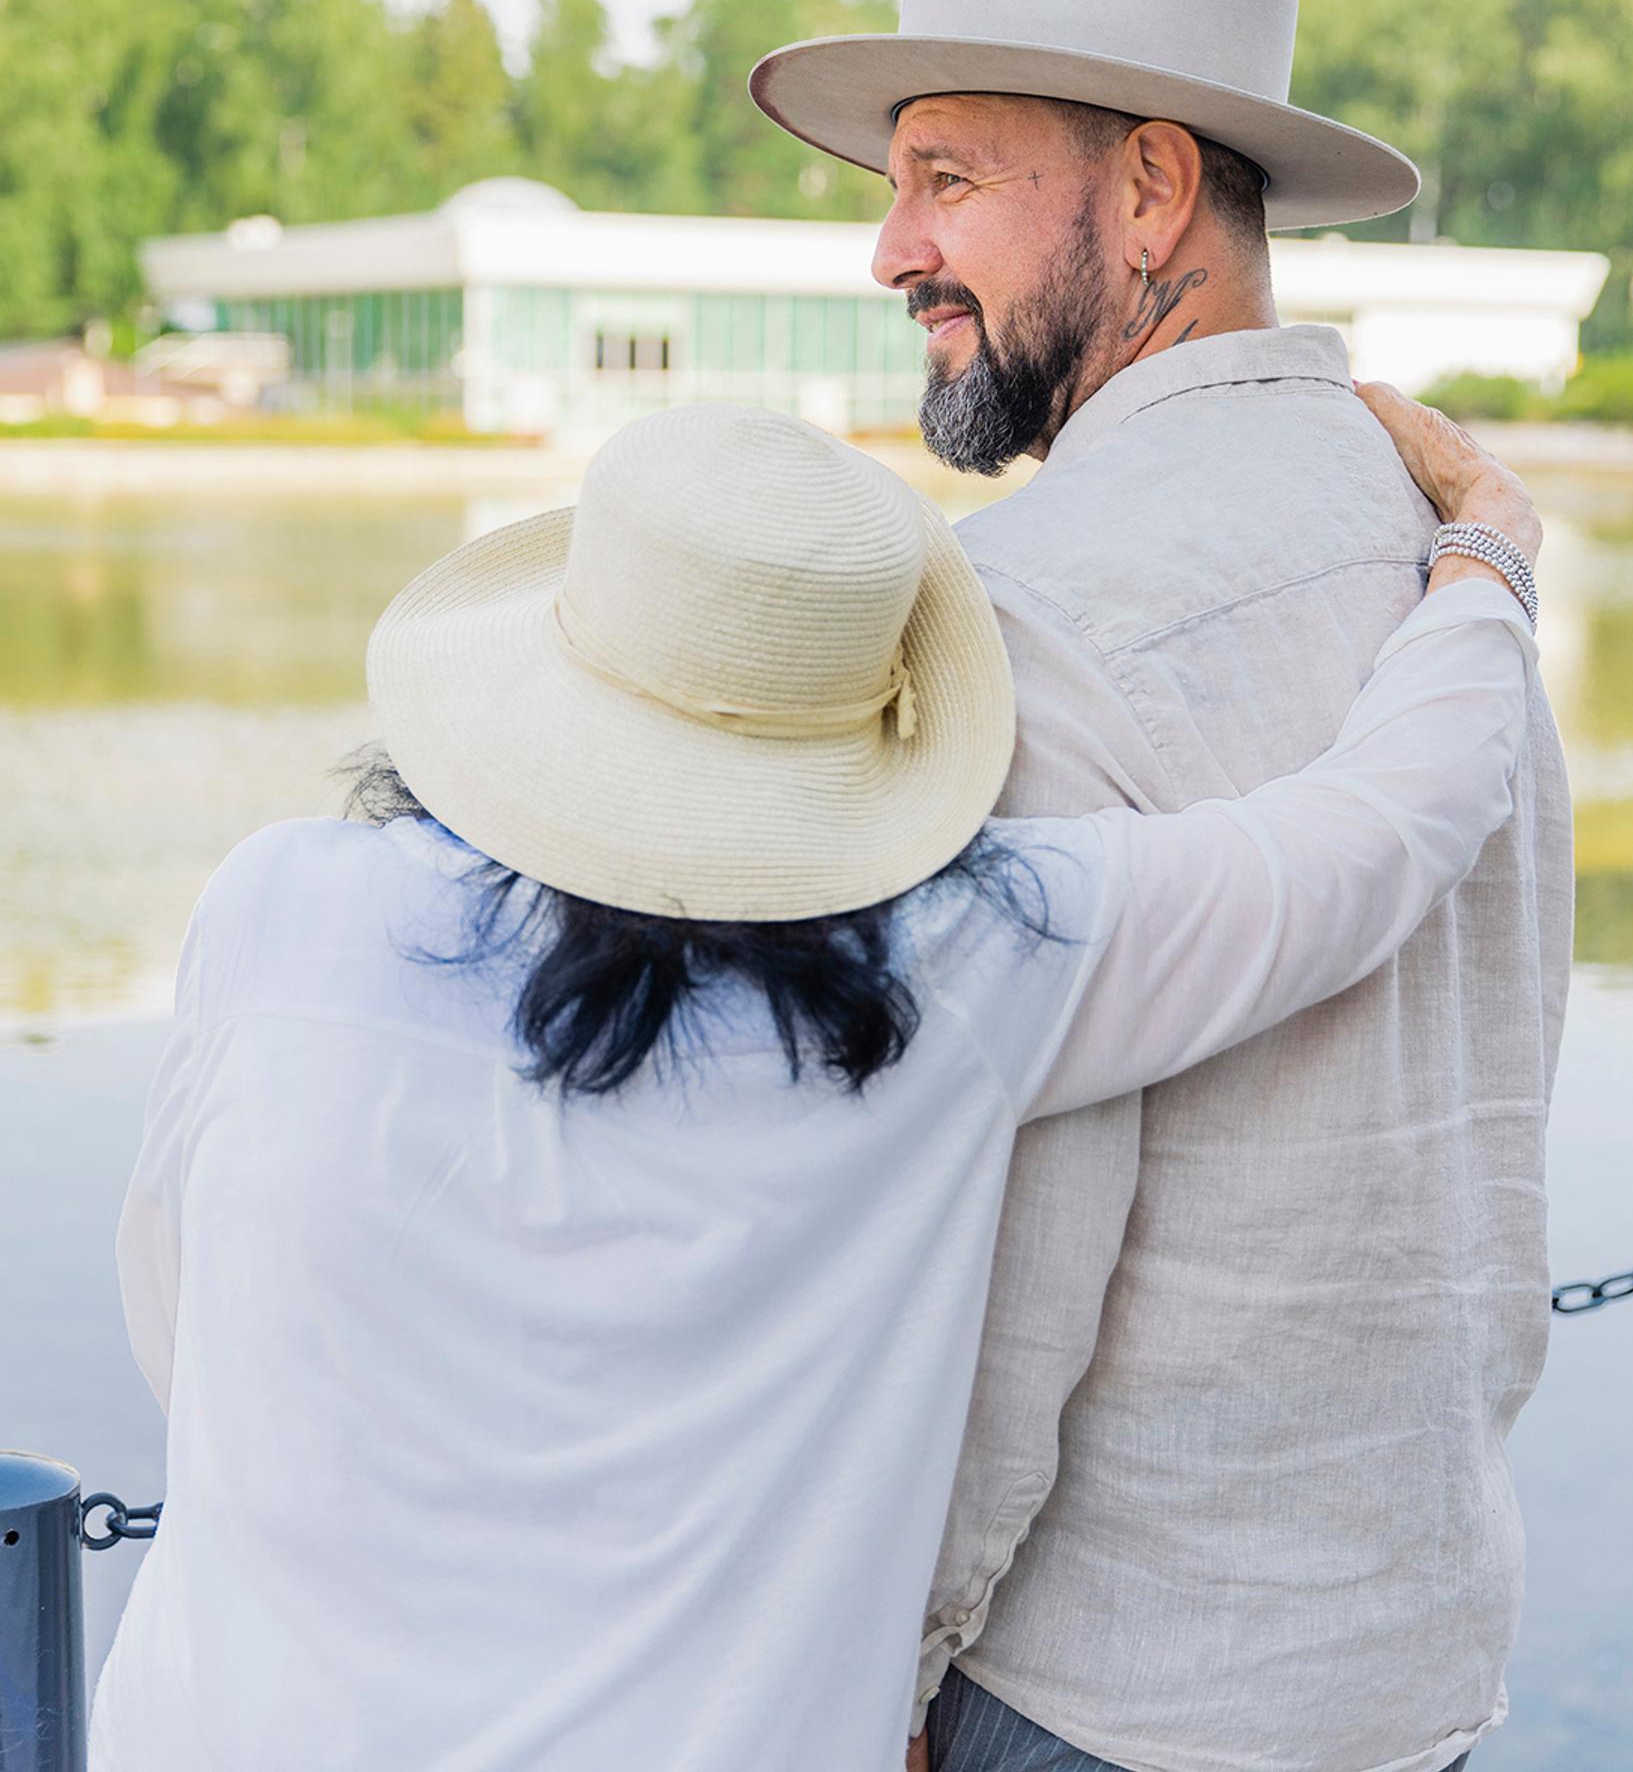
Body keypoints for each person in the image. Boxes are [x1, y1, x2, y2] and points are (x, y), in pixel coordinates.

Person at [90, 391, 1538, 1772]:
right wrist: (1481, 557)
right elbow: (1376, 834)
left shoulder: (280, 905)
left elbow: (180, 1319)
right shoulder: (965, 964)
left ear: (539, 665)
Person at [750, 0, 1573, 1772]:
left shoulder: (1029, 611)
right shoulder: (1456, 549)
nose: (889, 249)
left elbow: (1009, 1254)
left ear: (1147, 191)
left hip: (1106, 1687)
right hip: (1416, 1656)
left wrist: (893, 1669)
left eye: (946, 178)